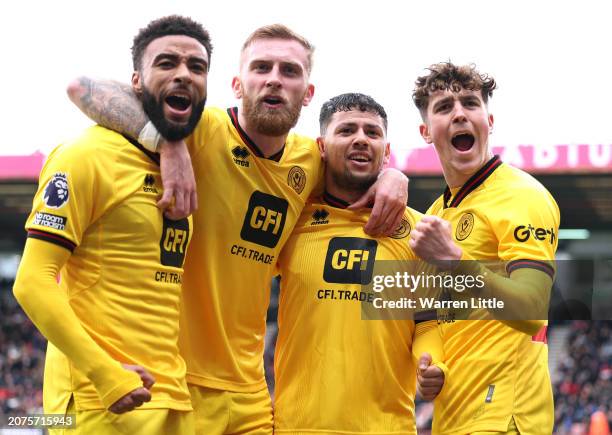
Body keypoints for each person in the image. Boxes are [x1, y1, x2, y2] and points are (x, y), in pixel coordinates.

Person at [67, 25, 409, 434]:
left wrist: (392, 176)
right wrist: (168, 142)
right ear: (237, 83)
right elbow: (80, 87)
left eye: (289, 71)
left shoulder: (309, 162)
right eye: (261, 67)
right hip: (175, 382)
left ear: (308, 91)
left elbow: (353, 166)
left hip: (249, 393)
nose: (274, 79)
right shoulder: (200, 131)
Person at [12, 15, 212, 434]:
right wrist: (105, 373)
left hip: (171, 395)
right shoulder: (85, 155)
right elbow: (31, 281)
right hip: (100, 400)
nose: (183, 74)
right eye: (167, 63)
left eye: (197, 66)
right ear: (135, 82)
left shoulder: (193, 156)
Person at [274, 93, 446, 434]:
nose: (360, 140)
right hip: (296, 426)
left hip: (386, 427)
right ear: (321, 145)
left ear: (386, 148)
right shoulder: (292, 218)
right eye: (347, 130)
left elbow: (426, 321)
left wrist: (431, 362)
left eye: (372, 132)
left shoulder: (418, 231)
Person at [409, 62, 560, 434]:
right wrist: (432, 366)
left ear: (488, 121)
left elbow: (530, 308)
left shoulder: (523, 196)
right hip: (453, 417)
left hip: (506, 418)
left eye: (470, 104)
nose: (459, 113)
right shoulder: (435, 215)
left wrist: (455, 261)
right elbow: (433, 318)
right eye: (444, 107)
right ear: (426, 131)